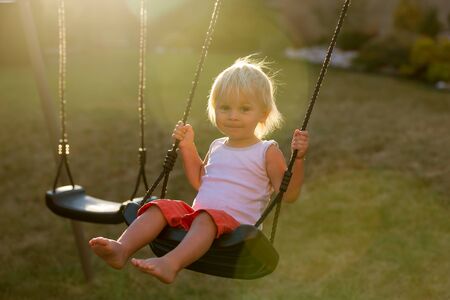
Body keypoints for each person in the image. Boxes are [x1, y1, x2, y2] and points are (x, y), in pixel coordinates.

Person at [89, 57, 309, 284]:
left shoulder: (266, 151)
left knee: (205, 218)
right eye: (225, 107)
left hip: (236, 231)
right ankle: (122, 249)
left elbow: (289, 194)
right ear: (215, 109)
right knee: (158, 206)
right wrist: (187, 147)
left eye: (244, 108)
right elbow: (200, 181)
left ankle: (170, 263)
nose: (233, 115)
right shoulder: (217, 146)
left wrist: (298, 159)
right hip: (199, 220)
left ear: (262, 114)